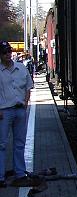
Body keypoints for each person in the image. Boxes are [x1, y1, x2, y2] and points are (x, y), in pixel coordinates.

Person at [0, 40, 34, 187]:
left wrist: (26, 103)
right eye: (4, 52)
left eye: (9, 51)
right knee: (1, 144)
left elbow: (28, 86)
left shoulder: (21, 68)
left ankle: (20, 173)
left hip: (20, 110)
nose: (8, 54)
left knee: (20, 143)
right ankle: (0, 177)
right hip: (4, 112)